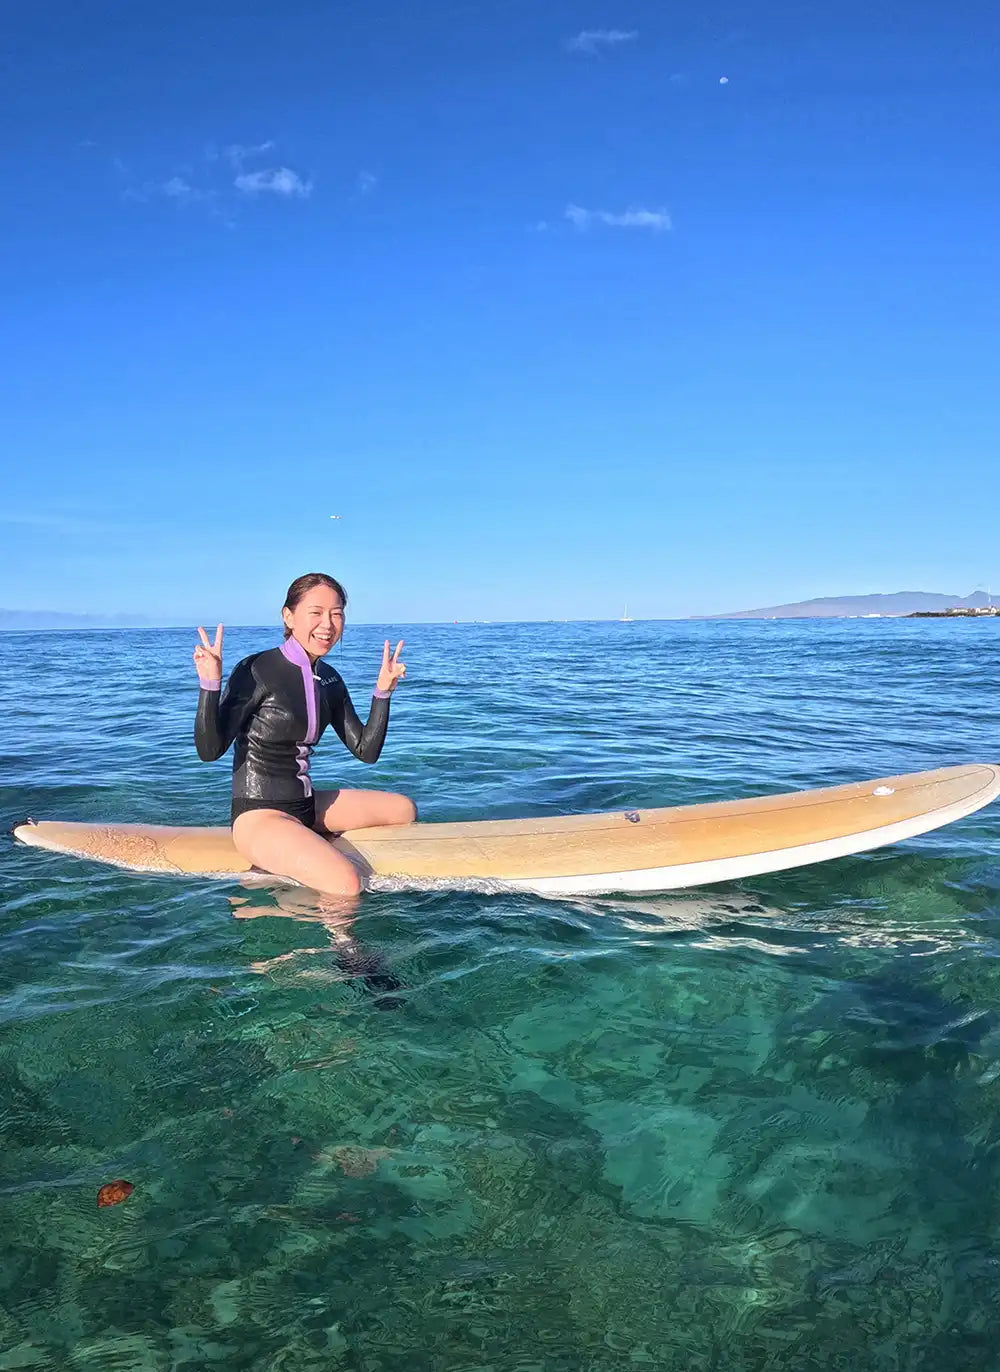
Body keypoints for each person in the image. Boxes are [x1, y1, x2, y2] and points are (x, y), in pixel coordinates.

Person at [193, 572, 416, 899]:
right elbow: (209, 750)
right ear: (288, 616)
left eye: (336, 613)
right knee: (346, 884)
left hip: (307, 807)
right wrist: (209, 684)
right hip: (259, 817)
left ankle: (307, 850)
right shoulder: (257, 670)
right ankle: (347, 948)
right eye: (316, 612)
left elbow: (365, 751)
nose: (328, 623)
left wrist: (382, 692)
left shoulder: (329, 678)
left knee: (403, 810)